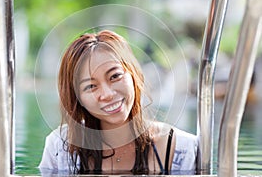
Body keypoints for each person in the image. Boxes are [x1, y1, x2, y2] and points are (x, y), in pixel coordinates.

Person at [38, 30, 198, 175]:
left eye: (115, 76)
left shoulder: (181, 148)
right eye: (91, 86)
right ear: (77, 98)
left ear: (133, 74)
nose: (107, 94)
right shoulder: (60, 147)